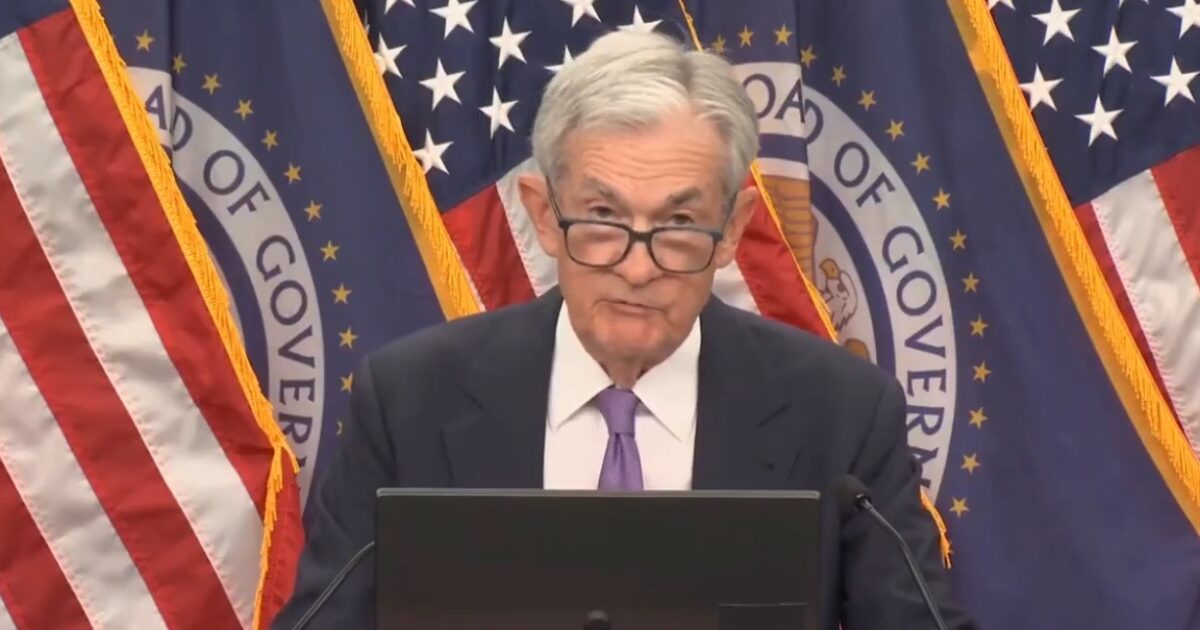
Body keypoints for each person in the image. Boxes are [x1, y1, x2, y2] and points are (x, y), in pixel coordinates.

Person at [274, 30, 977, 630]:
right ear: (544, 215)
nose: (637, 270)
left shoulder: (842, 413)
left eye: (676, 225)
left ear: (731, 231)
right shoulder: (410, 402)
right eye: (604, 219)